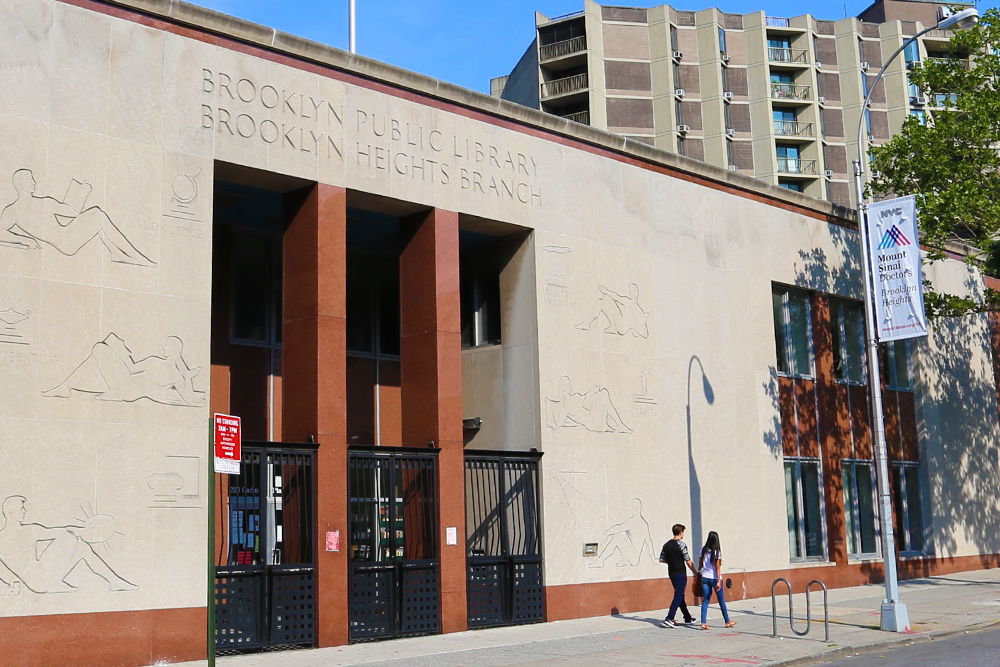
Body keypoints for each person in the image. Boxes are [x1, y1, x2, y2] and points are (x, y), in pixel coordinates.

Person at [0, 169, 155, 266]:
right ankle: (136, 257)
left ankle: (117, 253)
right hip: (66, 242)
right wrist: (24, 239)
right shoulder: (13, 211)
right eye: (29, 179)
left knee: (96, 214)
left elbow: (72, 213)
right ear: (20, 185)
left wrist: (82, 192)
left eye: (32, 178)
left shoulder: (43, 202)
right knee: (98, 216)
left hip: (67, 235)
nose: (34, 182)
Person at [0, 496, 137, 594]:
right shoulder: (8, 536)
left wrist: (85, 530)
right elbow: (65, 532)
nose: (24, 512)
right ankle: (54, 584)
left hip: (44, 574)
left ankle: (115, 582)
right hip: (39, 581)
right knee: (68, 538)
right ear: (11, 513)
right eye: (21, 509)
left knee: (81, 547)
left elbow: (60, 530)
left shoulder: (31, 529)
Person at [43, 333, 205, 406]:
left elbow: (188, 399)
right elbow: (132, 370)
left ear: (174, 349)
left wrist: (188, 377)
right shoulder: (155, 363)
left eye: (166, 345)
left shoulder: (172, 373)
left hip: (130, 388)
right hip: (128, 385)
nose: (163, 347)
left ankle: (65, 388)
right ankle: (65, 388)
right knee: (99, 353)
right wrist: (121, 352)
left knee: (100, 348)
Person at [659, 523, 697, 627]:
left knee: (680, 595)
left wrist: (672, 561)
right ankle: (670, 617)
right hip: (680, 572)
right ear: (680, 532)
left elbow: (662, 559)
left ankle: (687, 617)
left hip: (671, 572)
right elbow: (688, 561)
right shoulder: (682, 545)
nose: (683, 534)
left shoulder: (666, 545)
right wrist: (696, 573)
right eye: (683, 532)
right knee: (679, 595)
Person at [698, 530, 737, 630]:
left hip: (705, 578)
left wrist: (701, 572)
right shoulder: (717, 552)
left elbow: (700, 564)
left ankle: (703, 622)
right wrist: (719, 581)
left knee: (705, 601)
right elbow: (717, 568)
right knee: (721, 601)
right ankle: (727, 621)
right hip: (714, 578)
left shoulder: (703, 550)